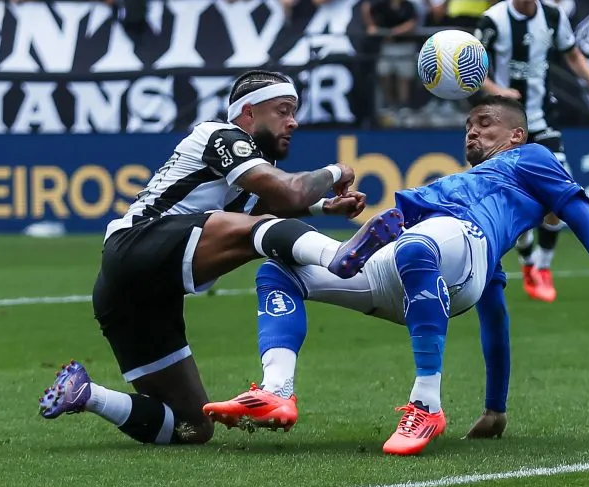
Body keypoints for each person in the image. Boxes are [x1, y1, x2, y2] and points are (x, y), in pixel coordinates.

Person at [203, 96, 589, 455]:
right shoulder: (461, 186)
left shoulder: (532, 160)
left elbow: (581, 215)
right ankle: (276, 390)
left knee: (420, 242)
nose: (472, 133)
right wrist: (495, 409)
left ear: (517, 136)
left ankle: (426, 405)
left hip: (450, 245)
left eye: (484, 125)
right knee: (279, 271)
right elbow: (495, 321)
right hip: (424, 266)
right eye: (468, 127)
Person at [37, 70, 406, 446]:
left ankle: (85, 393)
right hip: (136, 246)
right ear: (247, 114)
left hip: (132, 292)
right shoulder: (222, 135)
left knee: (192, 427)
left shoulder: (256, 166)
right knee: (258, 232)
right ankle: (338, 257)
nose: (293, 121)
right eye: (282, 110)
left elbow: (276, 206)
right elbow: (286, 197)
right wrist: (338, 170)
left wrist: (327, 206)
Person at [474, 0, 589, 304]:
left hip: (542, 119)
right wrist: (497, 90)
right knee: (511, 202)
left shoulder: (553, 16)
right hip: (502, 126)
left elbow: (572, 53)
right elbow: (474, 69)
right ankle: (526, 255)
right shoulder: (493, 19)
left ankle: (541, 267)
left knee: (559, 194)